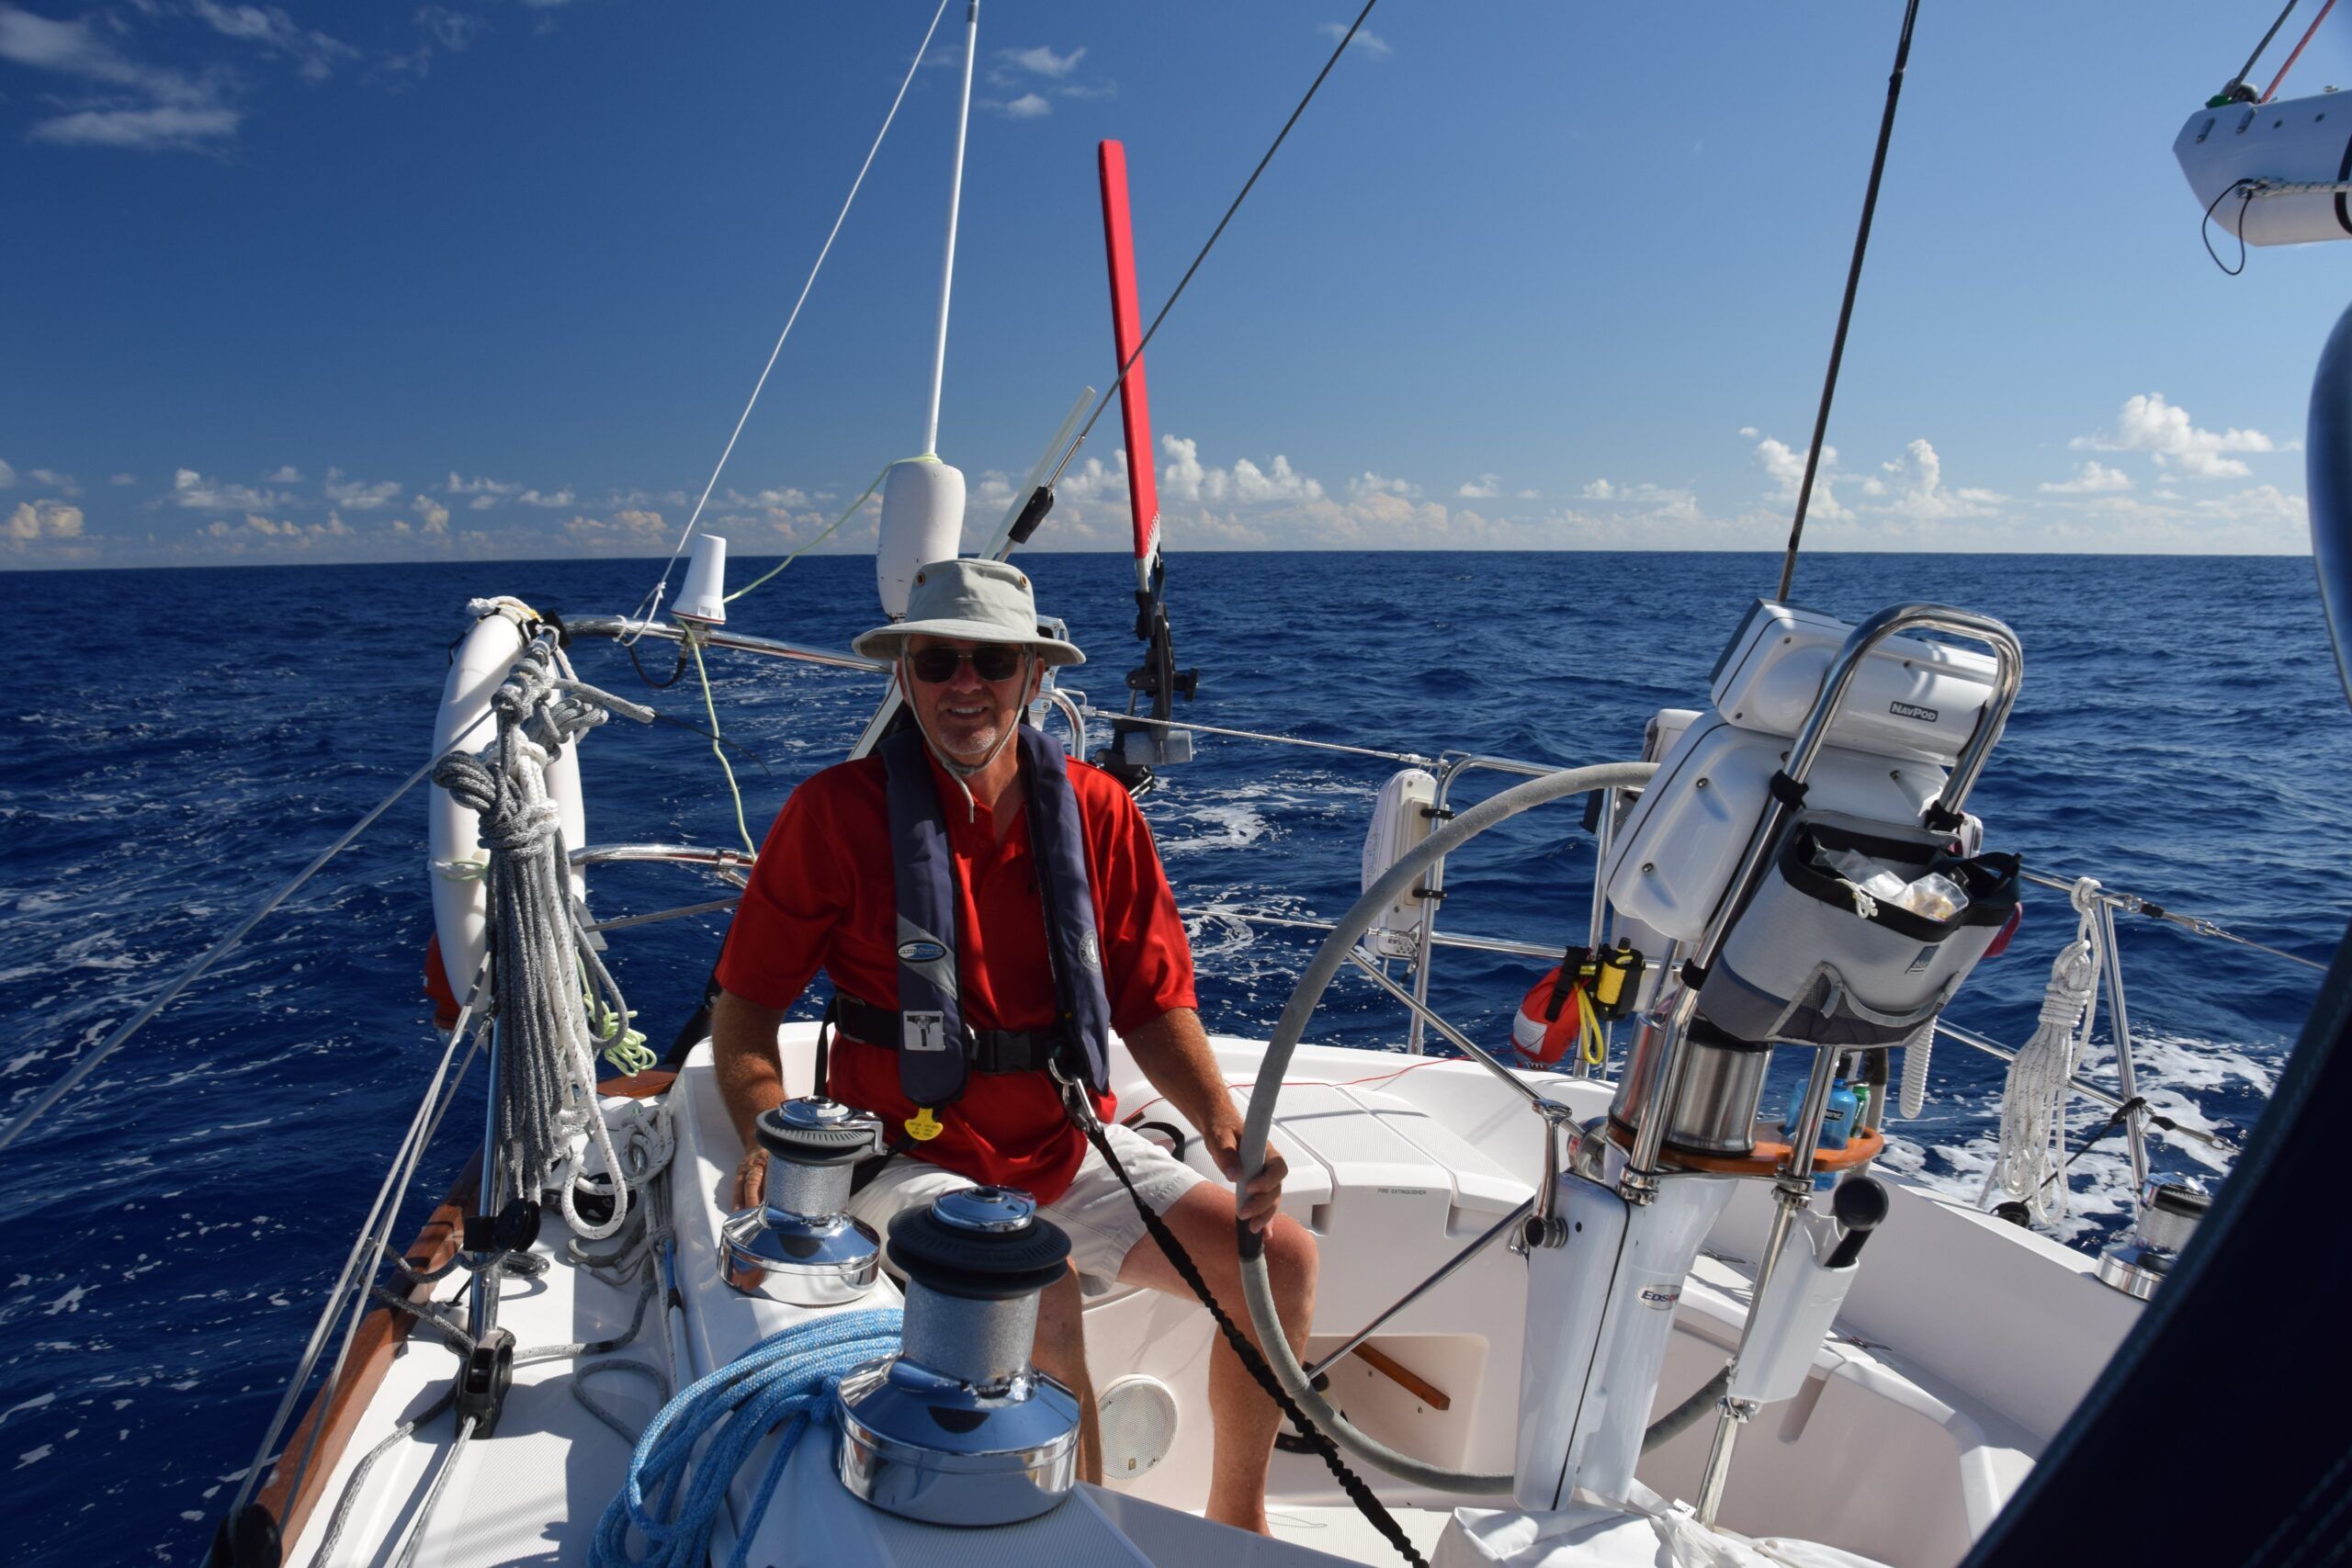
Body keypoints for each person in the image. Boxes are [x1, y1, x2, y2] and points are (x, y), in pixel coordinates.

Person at [708, 557, 1319, 1534]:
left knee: (1279, 1260)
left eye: (991, 661)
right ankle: (1083, 1541)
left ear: (1033, 677)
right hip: (905, 1155)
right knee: (1040, 1295)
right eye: (938, 659)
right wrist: (764, 1134)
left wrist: (1219, 1119)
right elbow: (744, 1012)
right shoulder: (832, 816)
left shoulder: (1099, 812)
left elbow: (1151, 1001)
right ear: (902, 674)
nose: (965, 684)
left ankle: (1237, 1522)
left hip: (1062, 1149)